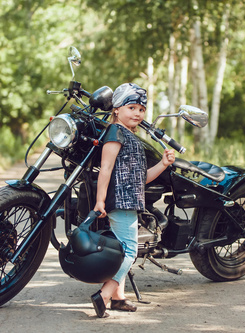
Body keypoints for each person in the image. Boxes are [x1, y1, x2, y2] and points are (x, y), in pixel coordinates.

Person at [90, 83, 175, 318]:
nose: (137, 113)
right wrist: (100, 202)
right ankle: (104, 295)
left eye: (141, 109)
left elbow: (142, 178)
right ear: (116, 109)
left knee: (121, 249)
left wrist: (164, 164)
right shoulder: (115, 133)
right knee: (129, 250)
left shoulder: (130, 137)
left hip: (131, 200)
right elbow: (105, 169)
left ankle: (118, 298)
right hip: (121, 201)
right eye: (131, 107)